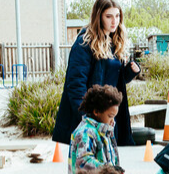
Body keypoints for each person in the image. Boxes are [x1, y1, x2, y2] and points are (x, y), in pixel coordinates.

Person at [52, 0, 140, 147]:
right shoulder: (85, 43)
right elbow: (75, 84)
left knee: (107, 161)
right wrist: (88, 117)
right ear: (98, 16)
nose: (114, 21)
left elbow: (114, 80)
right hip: (92, 116)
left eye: (117, 16)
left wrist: (130, 72)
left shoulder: (113, 42)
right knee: (88, 164)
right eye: (109, 16)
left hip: (109, 114)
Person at [69, 85, 123, 174]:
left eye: (114, 117)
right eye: (110, 116)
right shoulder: (85, 132)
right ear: (96, 112)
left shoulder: (105, 130)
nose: (112, 121)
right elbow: (83, 161)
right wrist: (109, 169)